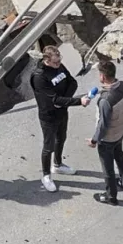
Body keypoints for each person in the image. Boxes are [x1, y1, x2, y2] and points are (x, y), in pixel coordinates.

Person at [31, 45, 83, 192]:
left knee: (62, 138)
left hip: (62, 111)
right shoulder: (39, 76)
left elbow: (73, 82)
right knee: (49, 146)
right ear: (46, 60)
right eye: (55, 63)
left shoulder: (60, 67)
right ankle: (46, 175)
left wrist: (64, 100)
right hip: (48, 116)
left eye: (59, 61)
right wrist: (78, 101)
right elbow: (53, 100)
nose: (58, 65)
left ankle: (58, 164)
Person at [85, 59, 123, 206]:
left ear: (102, 77)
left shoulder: (105, 100)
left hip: (107, 139)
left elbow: (103, 124)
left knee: (108, 169)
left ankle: (111, 196)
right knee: (120, 157)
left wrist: (94, 140)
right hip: (120, 131)